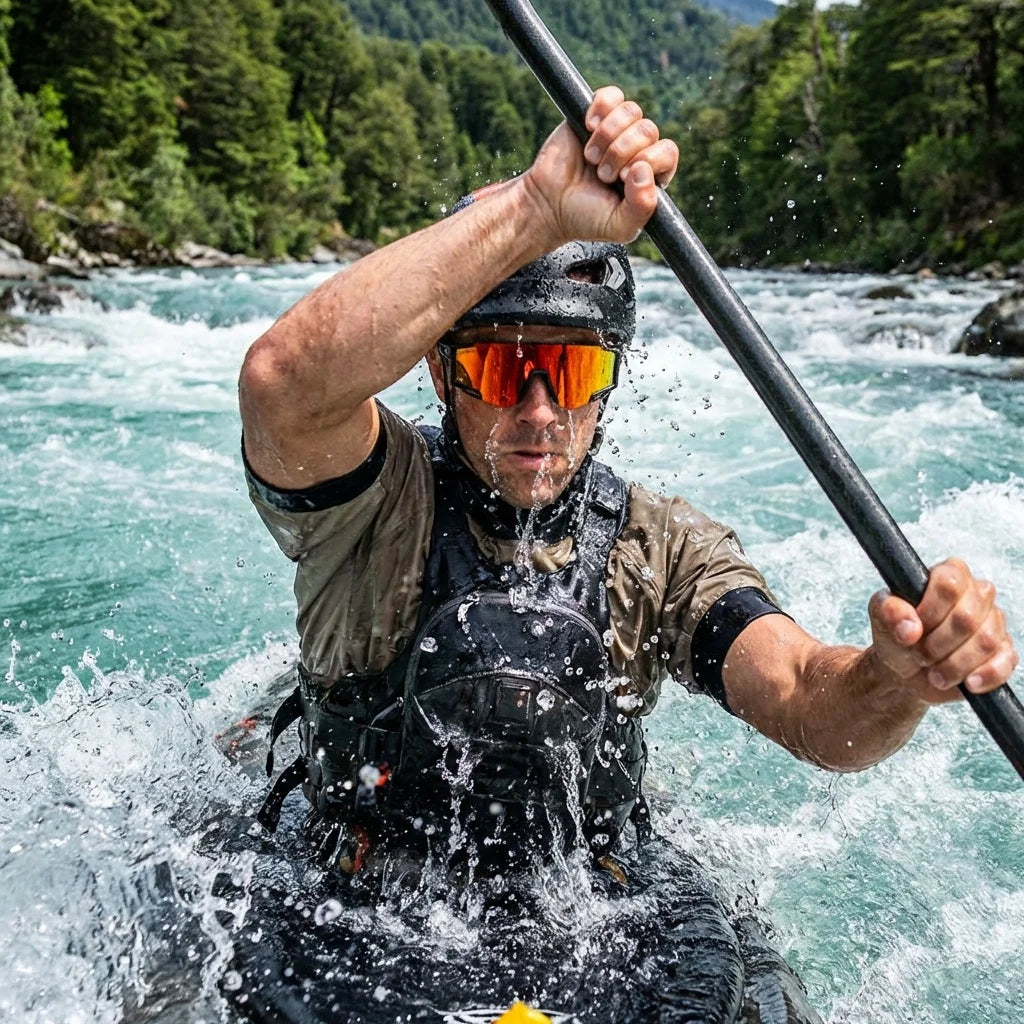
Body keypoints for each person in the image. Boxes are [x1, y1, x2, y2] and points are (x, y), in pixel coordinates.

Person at [233, 86, 1017, 1019]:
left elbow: (813, 704)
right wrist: (534, 207)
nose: (538, 413)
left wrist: (896, 677)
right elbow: (284, 384)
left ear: (609, 381)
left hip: (593, 890)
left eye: (569, 370)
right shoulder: (376, 502)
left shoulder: (659, 544)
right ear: (441, 371)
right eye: (497, 367)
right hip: (363, 895)